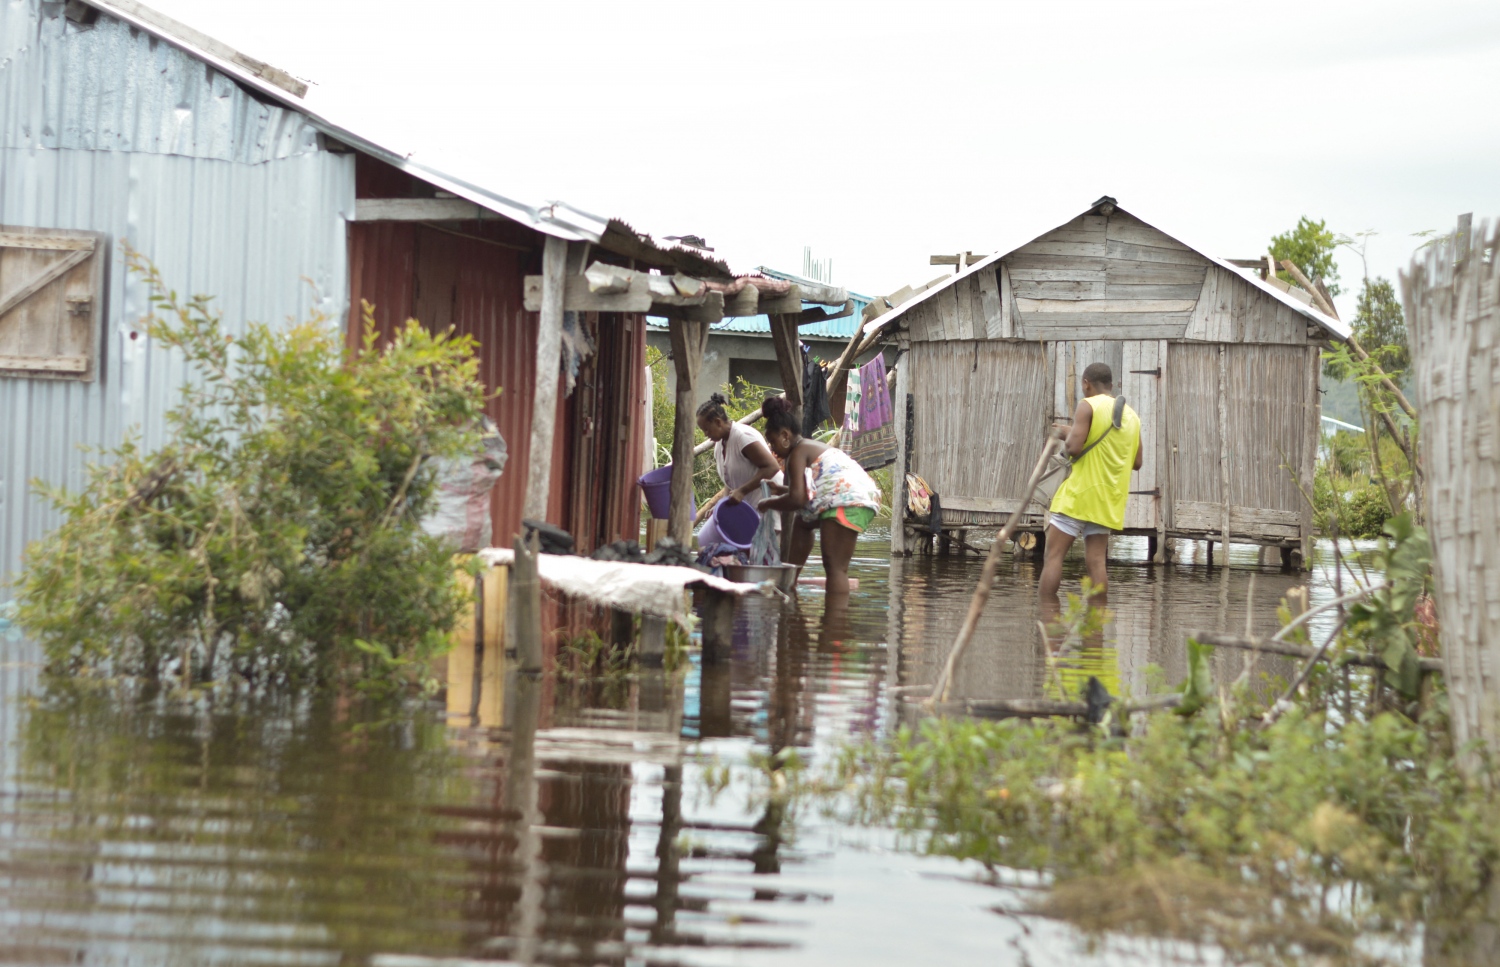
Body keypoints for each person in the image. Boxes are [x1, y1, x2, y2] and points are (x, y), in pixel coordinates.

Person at [1038, 362, 1142, 604]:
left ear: (1086, 383)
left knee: (1053, 556)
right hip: (1108, 500)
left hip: (1079, 494)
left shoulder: (1088, 405)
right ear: (1112, 385)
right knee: (1096, 562)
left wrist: (1069, 433)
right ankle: (1096, 630)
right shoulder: (1132, 416)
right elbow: (1137, 462)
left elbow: (1073, 448)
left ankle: (1047, 619)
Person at [756, 396, 881, 594]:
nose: (772, 449)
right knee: (802, 523)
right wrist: (781, 490)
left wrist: (769, 503)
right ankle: (789, 583)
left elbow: (797, 500)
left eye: (772, 442)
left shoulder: (796, 454)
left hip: (847, 500)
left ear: (785, 436)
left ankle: (834, 623)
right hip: (851, 495)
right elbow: (808, 491)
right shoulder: (806, 448)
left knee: (835, 567)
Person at [694, 393, 782, 547]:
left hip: (769, 504)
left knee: (763, 561)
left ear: (718, 422)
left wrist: (742, 491)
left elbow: (772, 467)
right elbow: (731, 481)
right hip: (750, 511)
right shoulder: (720, 444)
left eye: (707, 430)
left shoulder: (743, 436)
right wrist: (723, 504)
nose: (705, 435)